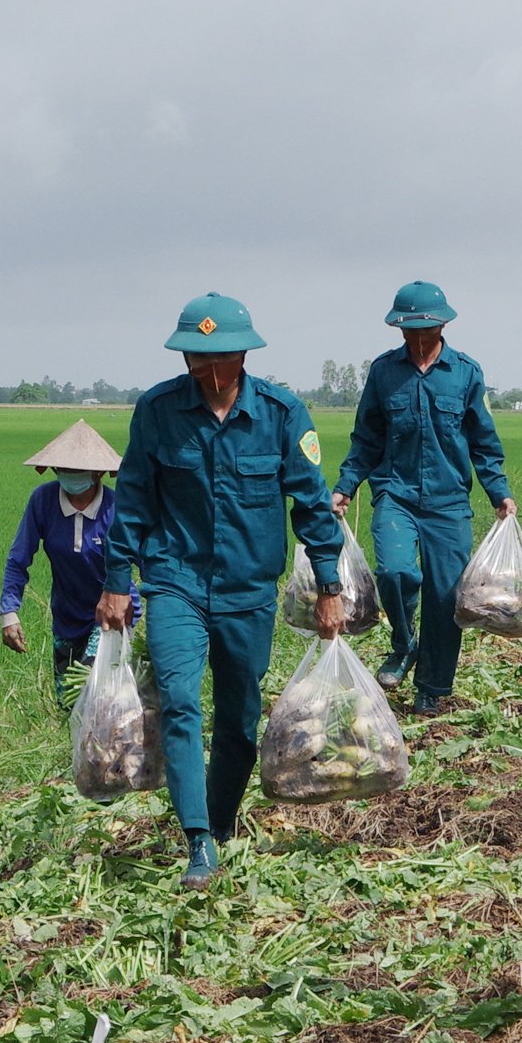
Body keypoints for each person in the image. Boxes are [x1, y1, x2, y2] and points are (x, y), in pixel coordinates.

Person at [96, 292, 347, 887]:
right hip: (174, 581)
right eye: (195, 359)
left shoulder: (283, 414)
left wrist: (329, 585)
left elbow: (311, 505)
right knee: (180, 701)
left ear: (243, 355)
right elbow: (132, 499)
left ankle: (222, 818)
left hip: (248, 590)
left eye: (219, 359)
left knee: (238, 718)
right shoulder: (157, 411)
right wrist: (115, 580)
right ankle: (198, 840)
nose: (206, 371)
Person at [330, 280, 512, 712]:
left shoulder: (466, 373)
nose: (417, 338)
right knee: (393, 571)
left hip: (449, 502)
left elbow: (483, 442)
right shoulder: (384, 372)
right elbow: (366, 439)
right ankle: (403, 643)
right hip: (396, 492)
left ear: (442, 326)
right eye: (409, 330)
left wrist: (499, 493)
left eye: (425, 330)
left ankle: (432, 688)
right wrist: (345, 486)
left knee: (446, 598)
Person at [0, 419, 124, 706]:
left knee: (93, 694)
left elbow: (147, 560)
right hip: (67, 618)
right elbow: (19, 558)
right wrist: (9, 612)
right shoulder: (43, 501)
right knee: (67, 702)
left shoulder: (116, 508)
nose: (70, 476)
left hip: (110, 617)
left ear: (98, 473)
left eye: (79, 471)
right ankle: (72, 752)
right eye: (64, 469)